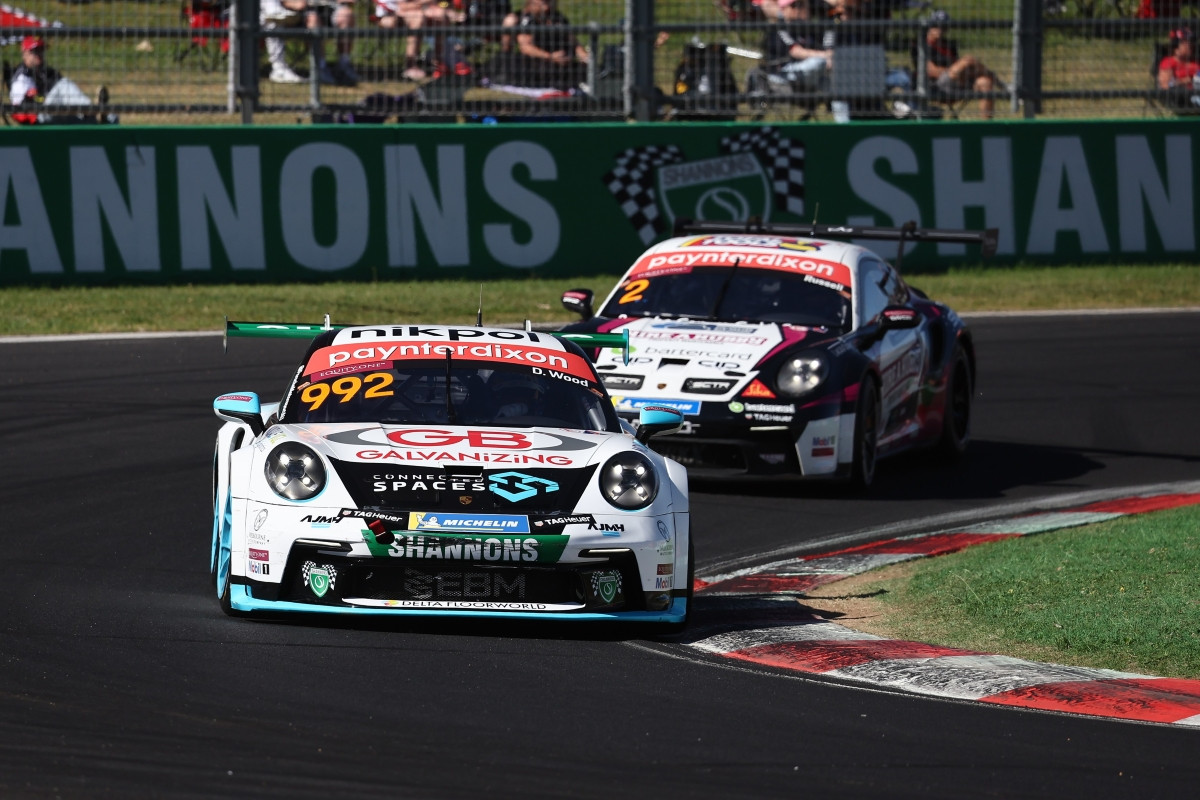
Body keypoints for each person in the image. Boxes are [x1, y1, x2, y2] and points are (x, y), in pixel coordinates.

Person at [7, 36, 116, 125]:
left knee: (91, 120)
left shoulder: (47, 72)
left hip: (57, 112)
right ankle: (92, 109)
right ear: (25, 54)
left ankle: (107, 121)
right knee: (63, 85)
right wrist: (44, 99)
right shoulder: (22, 76)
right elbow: (20, 110)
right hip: (39, 117)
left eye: (41, 50)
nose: (39, 54)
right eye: (35, 51)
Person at [912, 9, 1000, 119]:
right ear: (930, 26)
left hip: (956, 82)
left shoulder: (949, 45)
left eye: (944, 26)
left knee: (985, 82)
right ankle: (1000, 83)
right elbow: (932, 71)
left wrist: (959, 72)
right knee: (967, 60)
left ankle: (987, 125)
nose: (940, 29)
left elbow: (958, 67)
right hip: (936, 86)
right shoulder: (921, 45)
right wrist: (955, 70)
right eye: (936, 25)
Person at [261, 0, 360, 86]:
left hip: (327, 7)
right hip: (300, 13)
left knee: (346, 15)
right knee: (313, 19)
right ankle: (321, 68)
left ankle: (344, 64)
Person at [504, 0, 589, 90]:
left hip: (562, 60)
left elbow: (573, 42)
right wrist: (550, 56)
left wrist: (584, 55)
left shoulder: (558, 18)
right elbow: (525, 47)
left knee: (586, 69)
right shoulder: (527, 19)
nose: (546, 6)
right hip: (539, 62)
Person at [375, 0, 470, 80]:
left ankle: (440, 63)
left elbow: (432, 5)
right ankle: (410, 64)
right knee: (418, 17)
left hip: (413, 12)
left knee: (440, 14)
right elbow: (402, 7)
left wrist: (447, 11)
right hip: (388, 16)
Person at [760, 0, 831, 92]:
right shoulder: (779, 27)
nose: (799, 9)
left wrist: (830, 57)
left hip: (806, 71)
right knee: (818, 62)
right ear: (784, 9)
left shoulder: (810, 28)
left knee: (832, 82)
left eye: (802, 5)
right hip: (782, 73)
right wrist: (826, 56)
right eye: (794, 6)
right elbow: (795, 51)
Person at [1156, 27, 1200, 112]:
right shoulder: (1169, 62)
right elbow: (1165, 86)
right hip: (1183, 97)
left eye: (1192, 41)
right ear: (1176, 47)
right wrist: (1190, 79)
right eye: (1186, 42)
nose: (1191, 44)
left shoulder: (1196, 62)